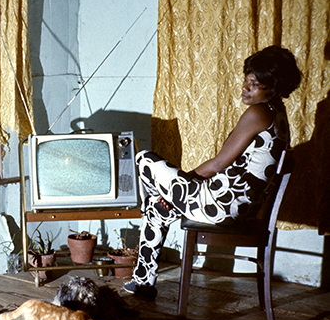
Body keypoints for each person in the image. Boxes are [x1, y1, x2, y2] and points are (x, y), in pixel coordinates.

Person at [124, 45, 302, 300]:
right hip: (237, 205)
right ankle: (143, 283)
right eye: (247, 79)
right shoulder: (278, 114)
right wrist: (175, 192)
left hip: (221, 205)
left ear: (273, 87)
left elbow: (218, 164)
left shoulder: (259, 112)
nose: (245, 87)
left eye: (254, 84)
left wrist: (176, 189)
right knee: (156, 208)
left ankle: (163, 203)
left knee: (144, 159)